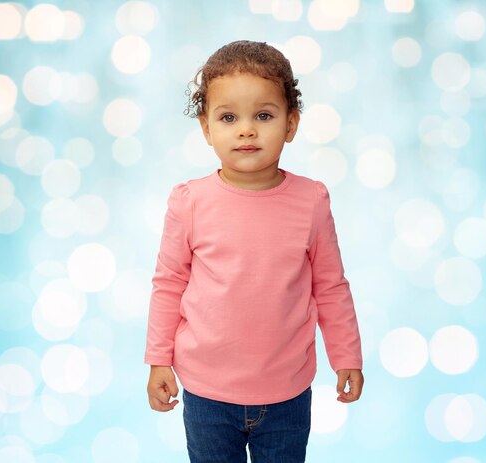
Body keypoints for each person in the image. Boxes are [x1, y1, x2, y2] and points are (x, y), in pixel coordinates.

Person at [144, 39, 363, 463]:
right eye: (228, 117)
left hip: (287, 394)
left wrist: (347, 355)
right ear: (207, 128)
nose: (246, 129)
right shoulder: (189, 202)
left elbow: (330, 286)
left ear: (291, 124)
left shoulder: (311, 201)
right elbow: (169, 284)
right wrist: (158, 359)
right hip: (207, 393)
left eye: (263, 115)